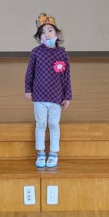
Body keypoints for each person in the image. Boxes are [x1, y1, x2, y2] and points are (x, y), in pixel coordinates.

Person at [25, 13, 72, 168]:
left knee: (53, 124)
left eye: (50, 30)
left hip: (56, 97)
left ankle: (53, 153)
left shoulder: (62, 54)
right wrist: (28, 89)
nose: (47, 34)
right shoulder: (36, 52)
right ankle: (40, 152)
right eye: (42, 32)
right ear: (39, 37)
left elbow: (66, 76)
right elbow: (30, 73)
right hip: (39, 96)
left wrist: (67, 96)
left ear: (57, 33)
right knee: (40, 124)